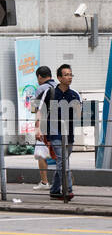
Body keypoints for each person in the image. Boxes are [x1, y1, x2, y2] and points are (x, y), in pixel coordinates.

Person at [35, 64, 81, 202]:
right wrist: (38, 128)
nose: (69, 77)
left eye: (70, 74)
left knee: (62, 162)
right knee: (62, 161)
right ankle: (68, 190)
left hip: (69, 134)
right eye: (66, 75)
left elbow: (78, 115)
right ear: (59, 78)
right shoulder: (50, 93)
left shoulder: (74, 94)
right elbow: (39, 111)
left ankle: (54, 190)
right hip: (54, 133)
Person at [30, 66, 55, 190]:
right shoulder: (59, 86)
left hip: (45, 126)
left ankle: (45, 182)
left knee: (41, 154)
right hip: (60, 126)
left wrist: (37, 128)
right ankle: (65, 183)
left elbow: (35, 109)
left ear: (39, 76)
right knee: (60, 156)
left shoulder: (41, 89)